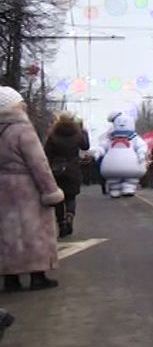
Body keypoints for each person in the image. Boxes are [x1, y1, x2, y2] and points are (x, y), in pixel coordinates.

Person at [1, 86, 63, 291]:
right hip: (27, 188)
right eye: (20, 102)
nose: (24, 105)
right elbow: (39, 163)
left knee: (7, 232)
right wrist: (50, 191)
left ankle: (11, 279)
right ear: (13, 105)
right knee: (34, 231)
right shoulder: (23, 129)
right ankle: (38, 275)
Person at [44, 112, 90, 238]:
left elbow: (46, 153)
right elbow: (86, 146)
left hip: (56, 170)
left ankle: (62, 222)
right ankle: (70, 216)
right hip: (73, 169)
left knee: (59, 198)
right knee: (71, 197)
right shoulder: (77, 134)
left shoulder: (53, 135)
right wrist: (84, 131)